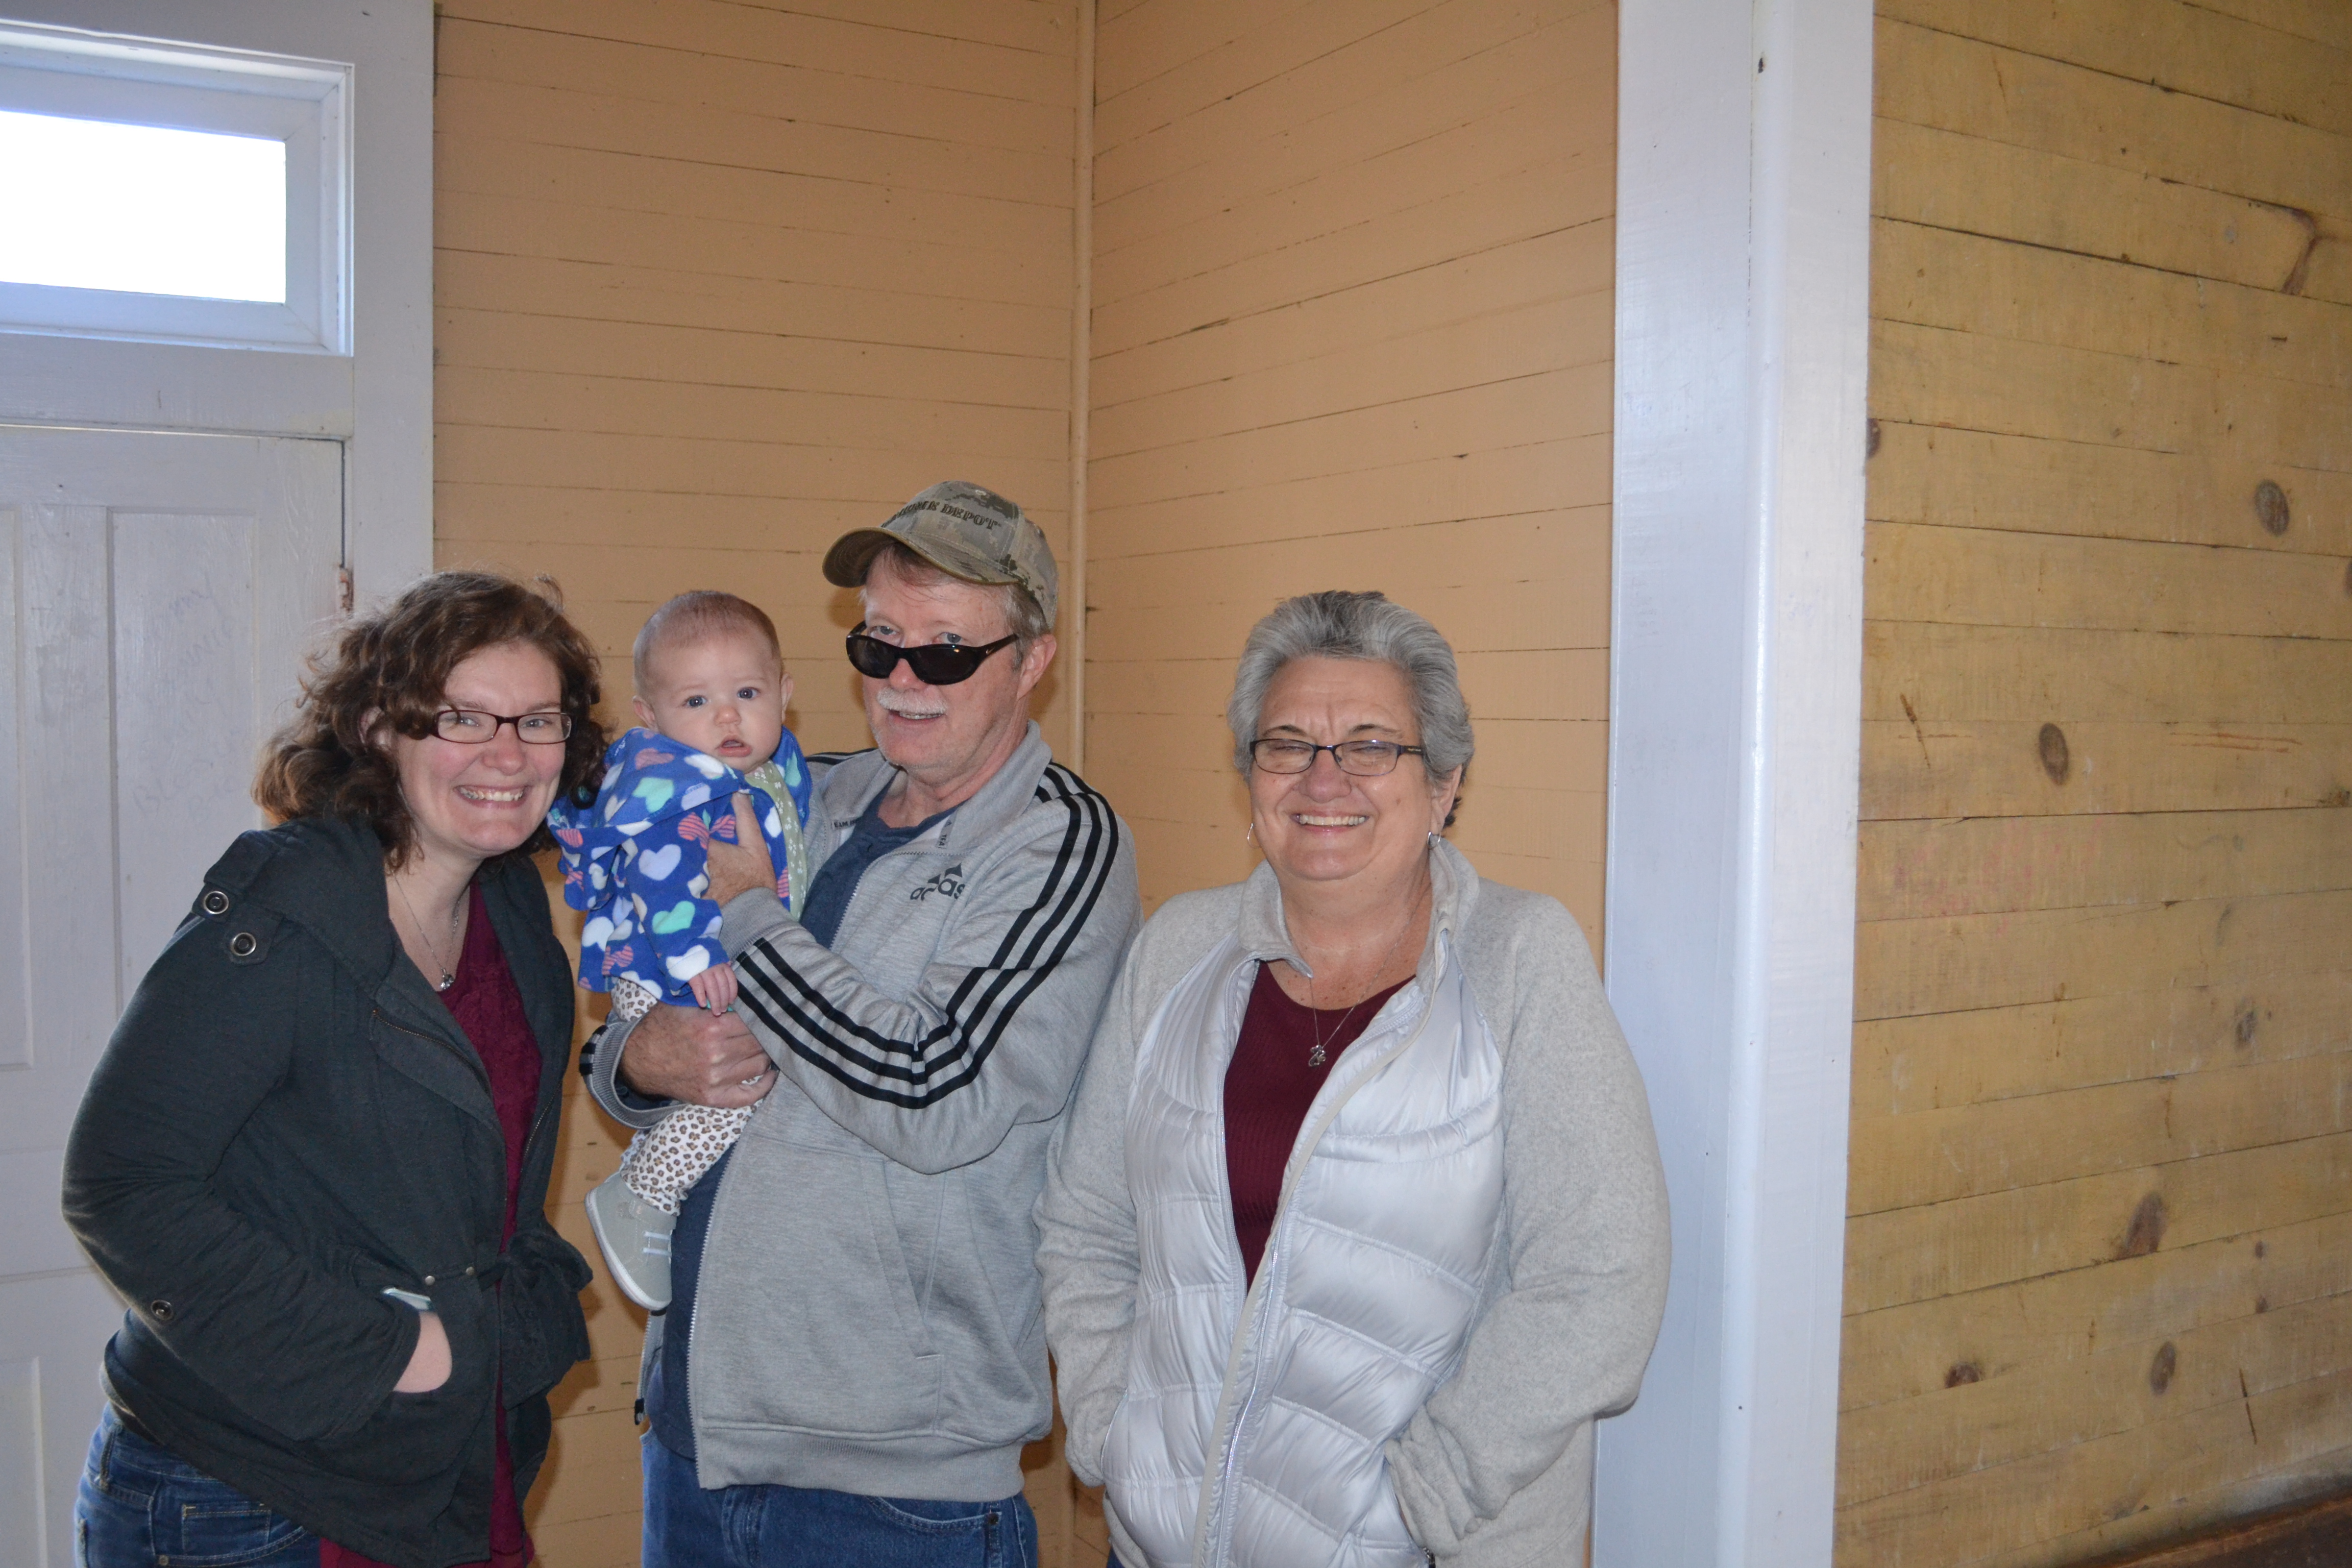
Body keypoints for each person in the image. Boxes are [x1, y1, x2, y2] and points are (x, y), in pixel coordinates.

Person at [1035, 590, 1672, 1568]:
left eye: (1373, 745)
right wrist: (1117, 1428)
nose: (1324, 779)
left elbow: (1601, 1276)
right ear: (1252, 777)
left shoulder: (1518, 959)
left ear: (1446, 783)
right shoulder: (1179, 950)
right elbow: (1085, 1223)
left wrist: (1425, 1496)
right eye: (1287, 743)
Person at [581, 481, 1140, 1567]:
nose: (900, 680)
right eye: (879, 644)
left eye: (944, 653)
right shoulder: (799, 795)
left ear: (1033, 661)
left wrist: (749, 915)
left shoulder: (1058, 844)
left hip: (894, 1493)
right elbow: (627, 1031)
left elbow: (937, 1090)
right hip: (699, 1440)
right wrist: (643, 1063)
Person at [61, 572, 606, 1568]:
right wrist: (397, 1353)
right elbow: (122, 1185)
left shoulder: (515, 914)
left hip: (429, 1468)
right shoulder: (284, 919)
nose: (508, 755)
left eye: (538, 720)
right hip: (243, 1492)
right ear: (376, 730)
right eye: (462, 718)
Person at [553, 591, 814, 1312]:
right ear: (651, 717)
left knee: (736, 1087)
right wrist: (697, 960)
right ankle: (644, 1193)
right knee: (736, 1092)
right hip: (672, 966)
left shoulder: (774, 771)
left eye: (748, 693)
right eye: (696, 701)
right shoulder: (673, 789)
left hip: (711, 961)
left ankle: (654, 1170)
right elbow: (659, 881)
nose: (727, 717)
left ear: (785, 695)